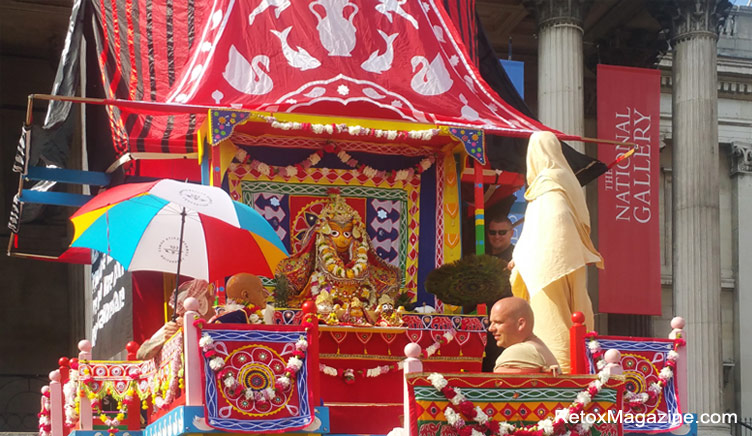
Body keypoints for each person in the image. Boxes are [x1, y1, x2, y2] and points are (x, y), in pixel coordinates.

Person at [509, 131, 604, 373]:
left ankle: (559, 369)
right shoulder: (566, 180)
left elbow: (540, 234)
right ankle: (579, 365)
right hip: (571, 257)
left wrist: (518, 259)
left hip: (546, 265)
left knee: (549, 316)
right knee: (575, 312)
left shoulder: (545, 186)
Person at [136, 279, 214, 360]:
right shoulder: (178, 324)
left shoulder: (218, 318)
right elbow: (142, 354)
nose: (214, 299)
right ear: (200, 303)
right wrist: (168, 338)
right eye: (209, 297)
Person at [488, 297, 559, 374]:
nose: (491, 328)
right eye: (491, 322)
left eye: (498, 322)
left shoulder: (519, 352)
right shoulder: (538, 347)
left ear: (520, 324)